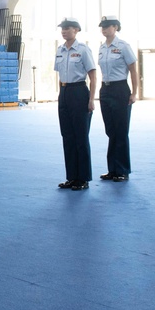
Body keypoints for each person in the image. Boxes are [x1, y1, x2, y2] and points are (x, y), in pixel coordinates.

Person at [53, 18, 97, 190]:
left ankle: (83, 178)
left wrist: (91, 99)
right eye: (62, 29)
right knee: (67, 137)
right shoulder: (60, 50)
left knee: (81, 137)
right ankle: (72, 176)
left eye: (68, 28)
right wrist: (60, 95)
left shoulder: (83, 50)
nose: (64, 31)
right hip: (64, 93)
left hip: (79, 91)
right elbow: (59, 76)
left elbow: (93, 76)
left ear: (76, 30)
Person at [96, 15, 138, 182]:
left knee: (121, 131)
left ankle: (122, 170)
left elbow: (133, 70)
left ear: (116, 27)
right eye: (102, 26)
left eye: (107, 26)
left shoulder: (123, 46)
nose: (104, 29)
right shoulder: (102, 48)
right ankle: (112, 169)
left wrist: (134, 93)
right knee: (111, 131)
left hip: (120, 88)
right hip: (105, 89)